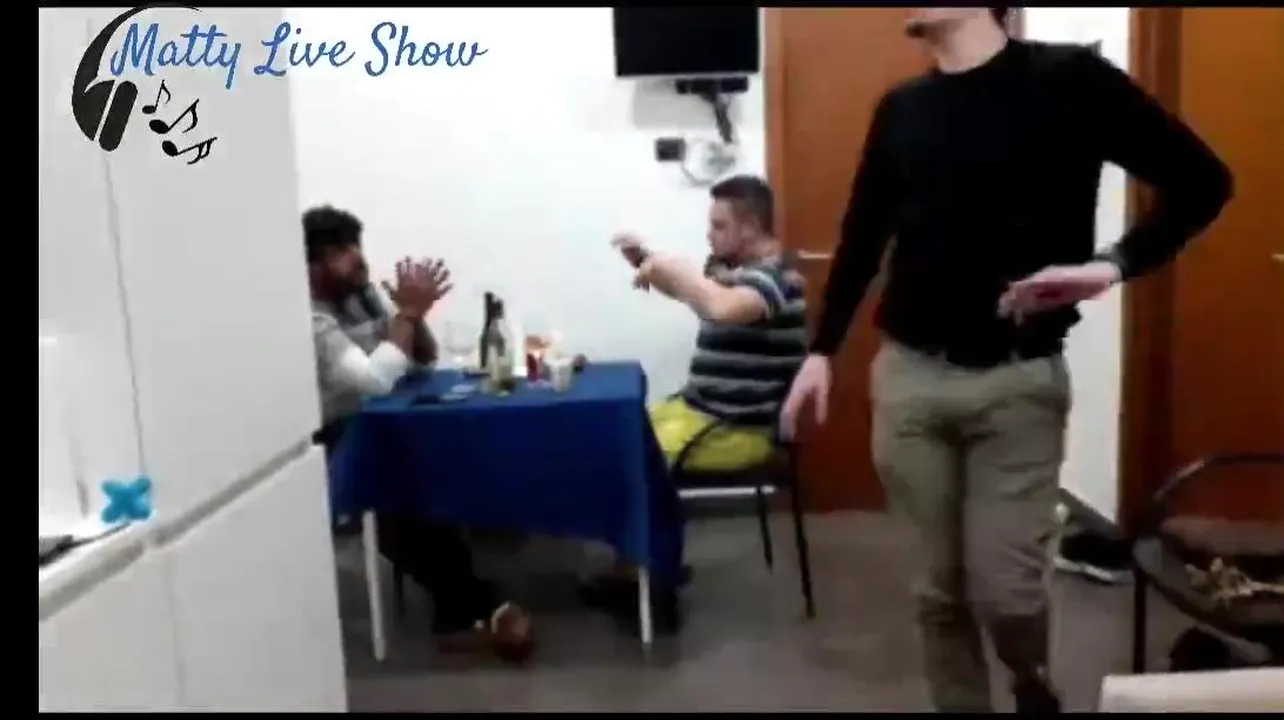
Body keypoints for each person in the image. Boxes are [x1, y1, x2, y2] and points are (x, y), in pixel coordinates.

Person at [780, 8, 1231, 713]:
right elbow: (863, 235)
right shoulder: (902, 109)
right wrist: (821, 351)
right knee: (938, 592)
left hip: (1019, 383)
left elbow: (1203, 181)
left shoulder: (1071, 80)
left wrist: (1112, 265)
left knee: (1007, 590)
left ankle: (1029, 677)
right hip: (911, 381)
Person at [305, 205, 534, 660]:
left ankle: (466, 598)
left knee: (449, 456)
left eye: (355, 245)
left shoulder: (360, 296)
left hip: (382, 422)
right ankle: (464, 609)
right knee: (396, 482)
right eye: (340, 251)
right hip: (331, 438)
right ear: (311, 265)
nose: (357, 257)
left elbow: (423, 357)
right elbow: (374, 379)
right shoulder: (311, 318)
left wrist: (413, 314)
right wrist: (406, 312)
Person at [589, 175, 808, 632]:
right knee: (616, 439)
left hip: (739, 428)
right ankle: (636, 569)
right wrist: (650, 262)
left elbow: (722, 308)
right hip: (701, 411)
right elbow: (703, 298)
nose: (709, 234)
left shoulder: (776, 278)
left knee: (638, 460)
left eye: (719, 225)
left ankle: (658, 590)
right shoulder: (736, 274)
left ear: (751, 227)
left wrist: (677, 269)